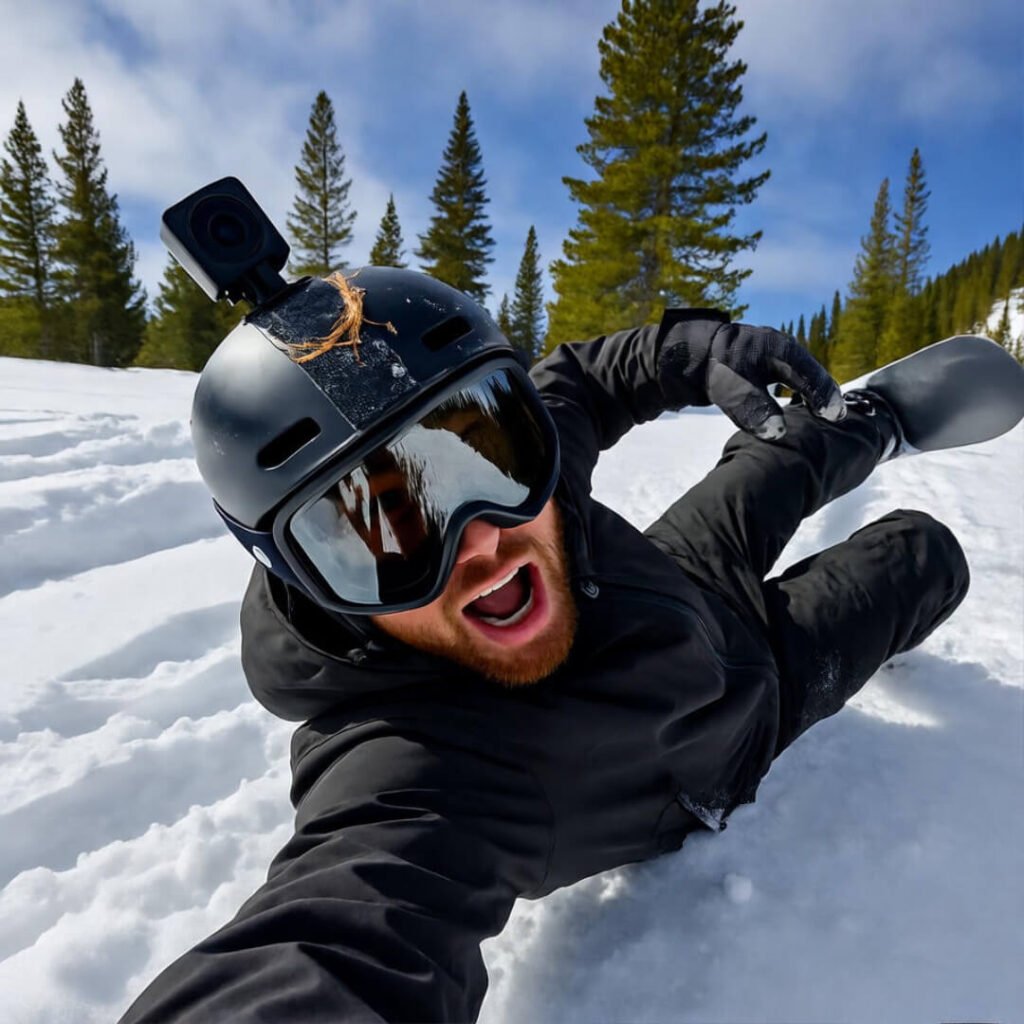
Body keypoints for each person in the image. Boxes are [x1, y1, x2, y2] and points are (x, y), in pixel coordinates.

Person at [119, 268, 969, 1023]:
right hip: (744, 710)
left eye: (476, 459)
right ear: (314, 583)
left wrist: (686, 347)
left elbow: (580, 384)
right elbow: (342, 934)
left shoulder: (535, 473)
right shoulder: (424, 770)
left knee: (783, 448)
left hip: (667, 581)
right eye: (385, 537)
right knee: (920, 554)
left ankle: (870, 421)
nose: (479, 542)